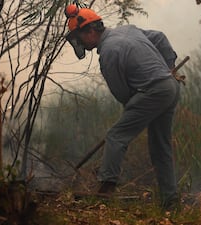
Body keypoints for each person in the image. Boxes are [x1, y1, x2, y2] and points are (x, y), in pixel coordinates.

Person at [64, 5, 180, 209]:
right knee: (161, 147)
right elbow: (160, 38)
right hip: (170, 88)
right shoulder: (128, 30)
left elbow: (122, 94)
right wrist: (169, 68)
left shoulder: (108, 53)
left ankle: (105, 190)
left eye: (79, 37)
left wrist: (134, 109)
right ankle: (170, 202)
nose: (79, 42)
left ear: (91, 31)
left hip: (152, 93)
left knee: (116, 136)